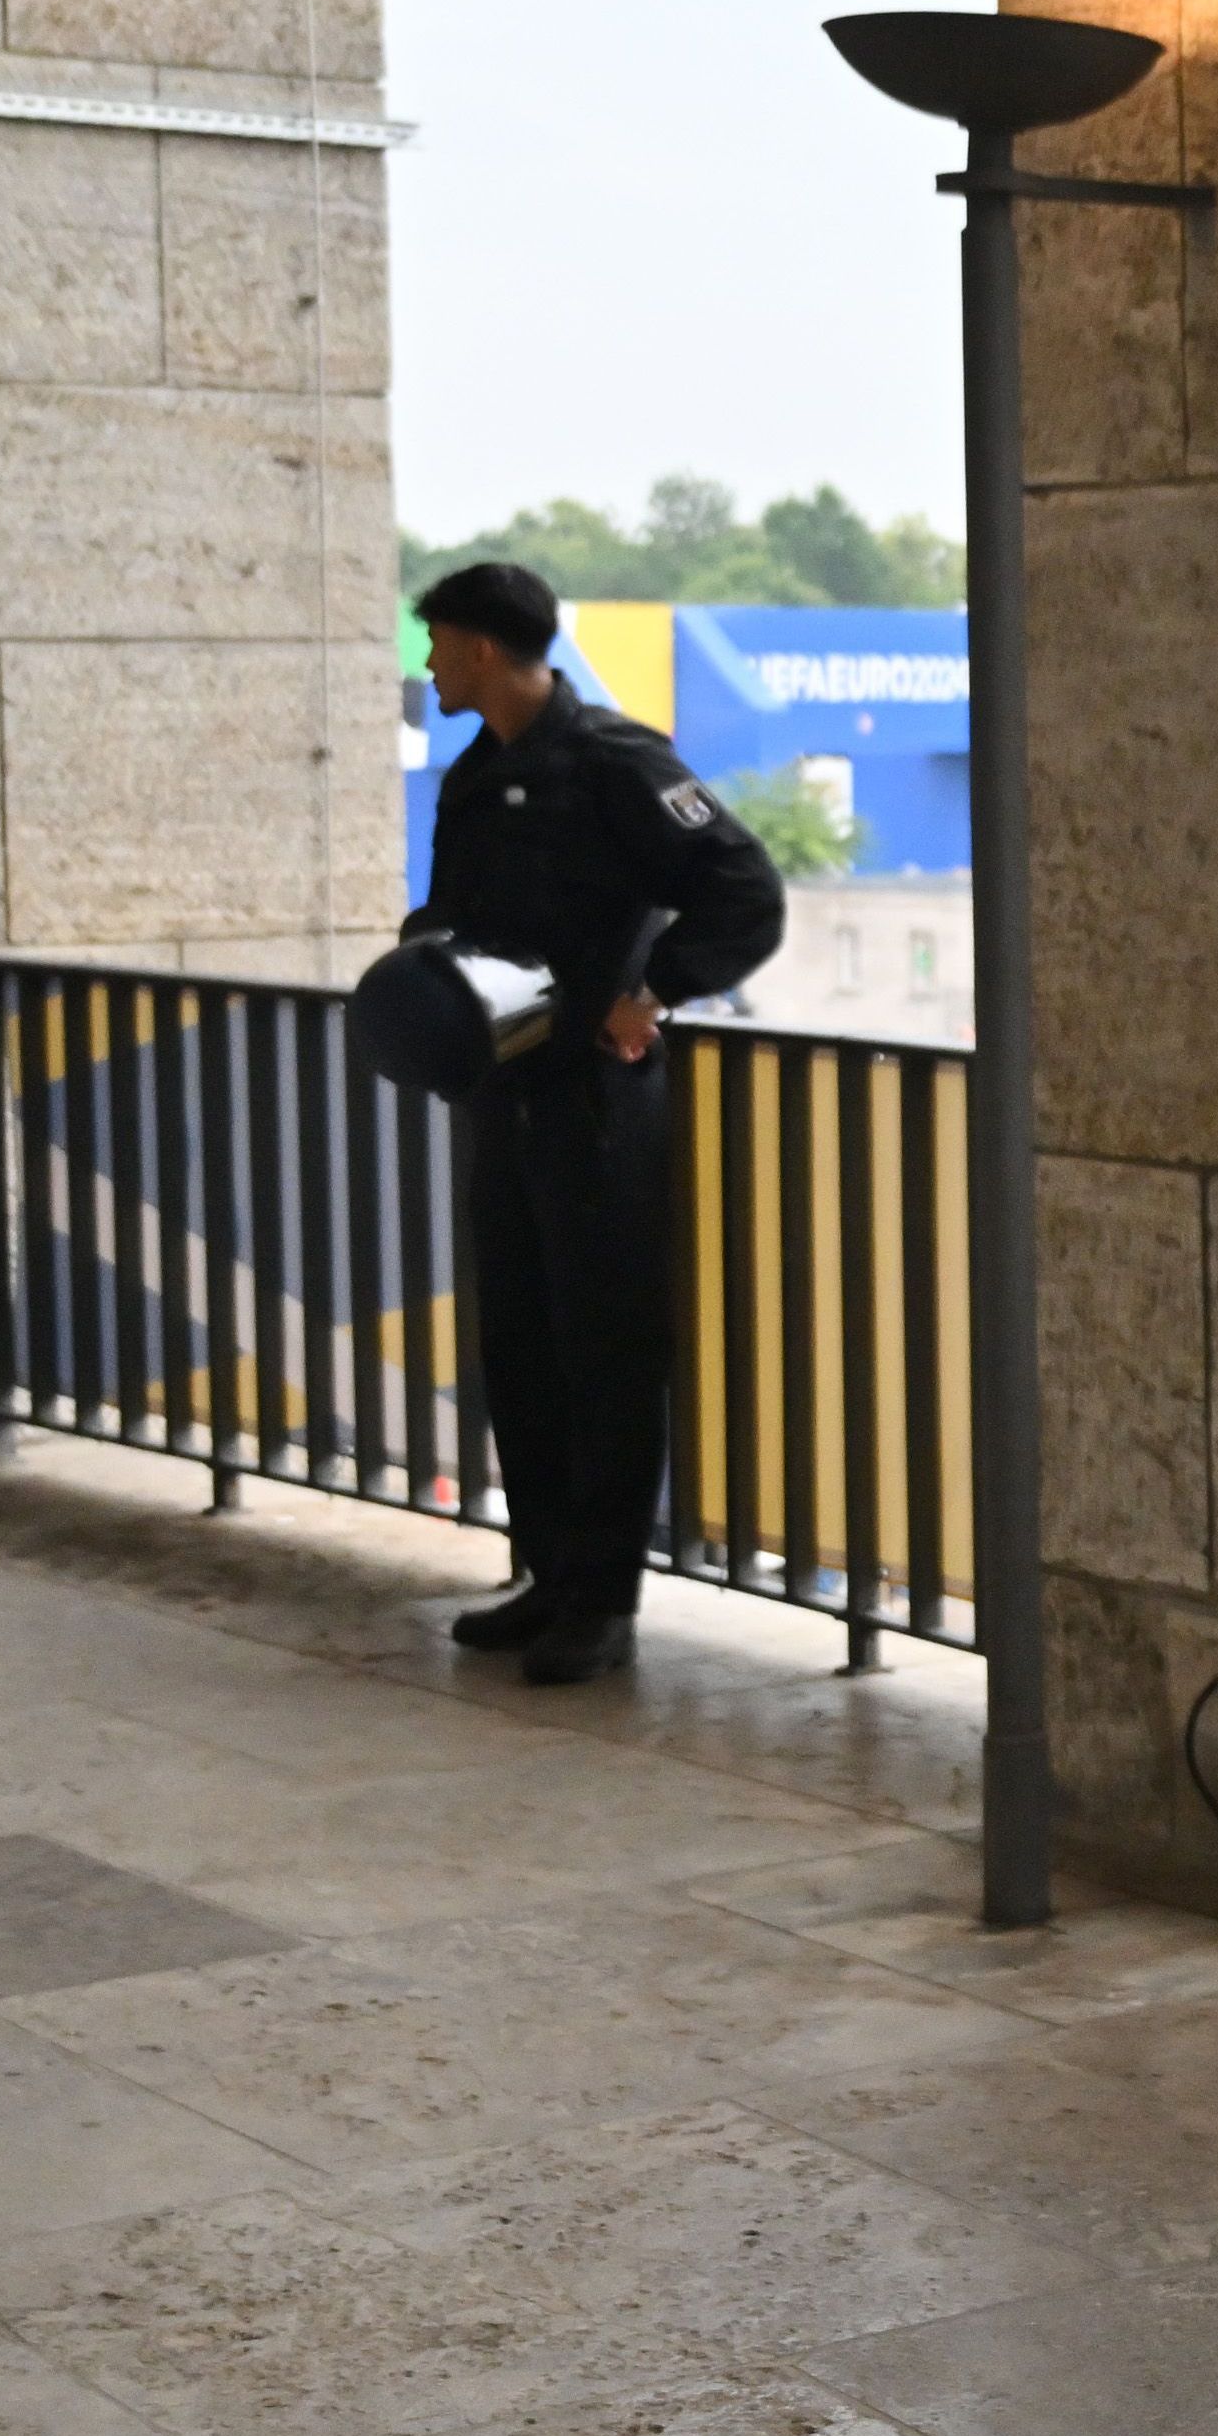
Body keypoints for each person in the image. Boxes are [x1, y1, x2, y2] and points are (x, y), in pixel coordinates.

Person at [405, 561, 787, 1686]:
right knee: (519, 1339)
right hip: (503, 1089)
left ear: (482, 649)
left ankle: (604, 1599)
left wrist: (654, 989)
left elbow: (744, 886)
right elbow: (460, 911)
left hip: (593, 1103)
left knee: (604, 1347)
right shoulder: (475, 774)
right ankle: (547, 1573)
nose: (427, 664)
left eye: (437, 644)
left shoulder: (618, 761)